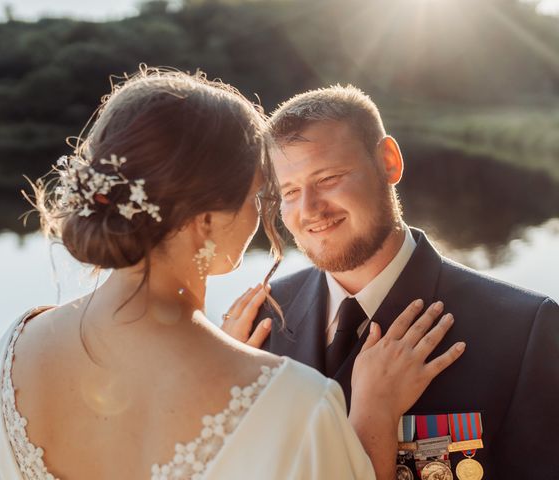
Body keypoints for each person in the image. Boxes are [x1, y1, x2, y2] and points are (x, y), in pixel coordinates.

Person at [0, 69, 465, 480]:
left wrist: (229, 357)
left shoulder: (11, 354)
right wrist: (373, 420)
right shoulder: (296, 402)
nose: (269, 217)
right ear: (207, 221)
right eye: (261, 195)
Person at [231, 85, 559, 478]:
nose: (309, 209)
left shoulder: (524, 329)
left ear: (388, 161)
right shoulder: (256, 328)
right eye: (290, 191)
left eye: (329, 178)